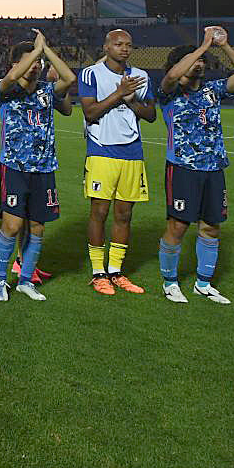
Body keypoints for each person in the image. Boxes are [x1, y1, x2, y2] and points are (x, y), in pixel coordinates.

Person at [155, 26, 234, 304]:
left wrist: (223, 46)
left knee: (211, 226)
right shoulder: (168, 93)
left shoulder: (213, 89)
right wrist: (201, 46)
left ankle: (203, 283)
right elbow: (173, 76)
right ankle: (170, 282)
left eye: (201, 61)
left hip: (214, 168)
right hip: (182, 168)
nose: (199, 64)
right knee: (178, 226)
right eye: (193, 60)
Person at [0, 31, 76, 302]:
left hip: (44, 168)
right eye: (31, 61)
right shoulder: (4, 89)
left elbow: (70, 78)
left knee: (37, 227)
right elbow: (13, 78)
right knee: (12, 225)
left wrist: (45, 49)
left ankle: (26, 280)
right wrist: (34, 53)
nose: (36, 66)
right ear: (15, 64)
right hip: (14, 167)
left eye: (38, 62)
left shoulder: (46, 92)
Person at [79, 29, 156, 295]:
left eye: (128, 45)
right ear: (106, 47)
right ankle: (98, 272)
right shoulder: (91, 74)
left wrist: (132, 100)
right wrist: (118, 94)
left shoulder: (142, 77)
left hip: (133, 152)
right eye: (118, 44)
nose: (124, 48)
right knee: (99, 212)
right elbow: (89, 113)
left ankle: (116, 272)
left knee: (124, 214)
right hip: (102, 150)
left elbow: (151, 114)